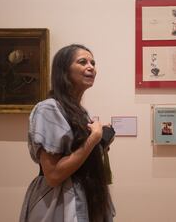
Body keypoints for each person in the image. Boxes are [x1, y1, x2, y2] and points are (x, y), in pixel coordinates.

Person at [19, 44, 115, 222]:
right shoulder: (48, 109)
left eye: (93, 62)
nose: (91, 67)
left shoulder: (80, 111)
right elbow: (54, 175)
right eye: (82, 62)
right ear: (64, 70)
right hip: (57, 204)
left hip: (85, 198)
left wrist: (101, 143)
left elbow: (79, 155)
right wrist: (93, 139)